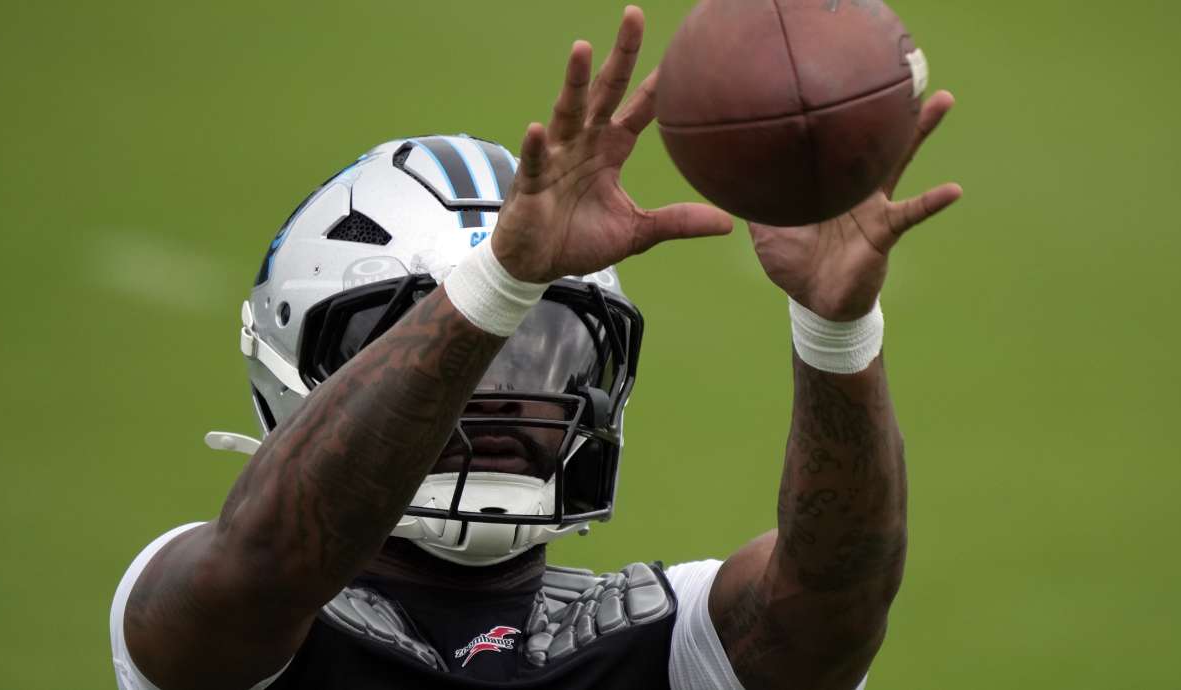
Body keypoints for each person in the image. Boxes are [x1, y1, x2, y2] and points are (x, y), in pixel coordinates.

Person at [108, 7, 961, 690]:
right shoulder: (215, 613)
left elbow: (836, 602)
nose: (510, 389)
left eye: (547, 347)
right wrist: (499, 282)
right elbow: (267, 564)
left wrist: (835, 332)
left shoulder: (667, 646)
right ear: (301, 359)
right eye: (480, 348)